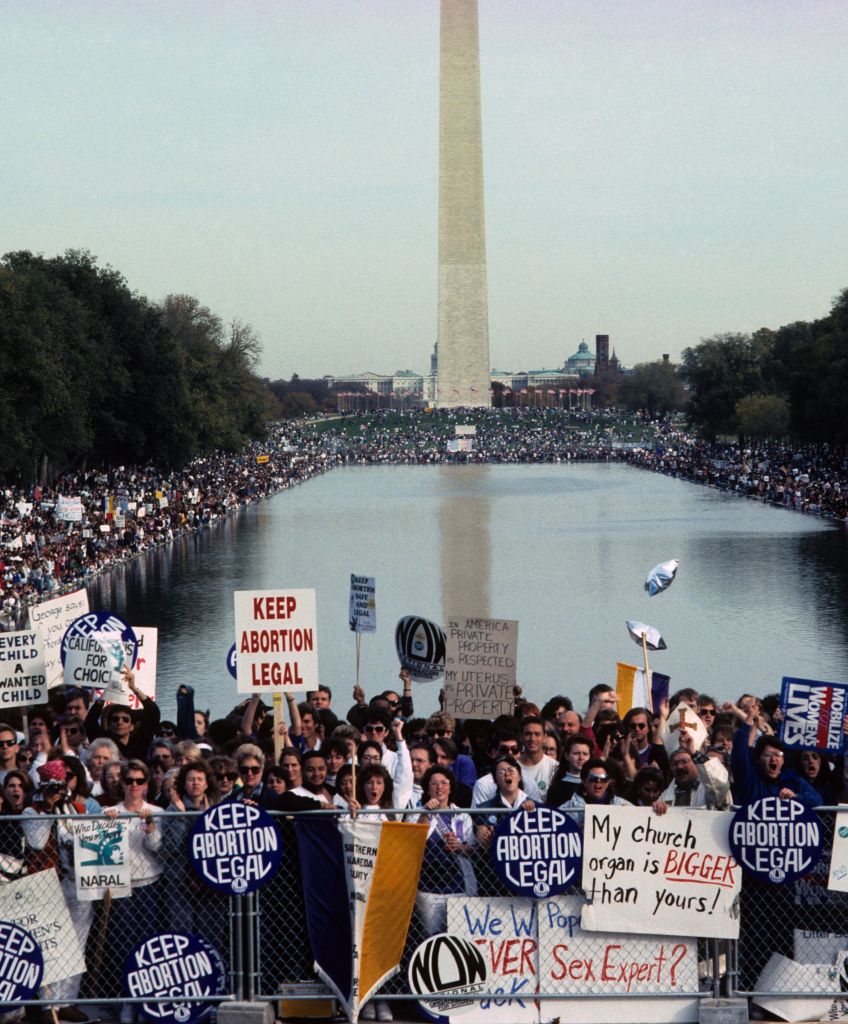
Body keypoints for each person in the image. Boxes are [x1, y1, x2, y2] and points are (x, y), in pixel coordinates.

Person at [21, 760, 94, 1022]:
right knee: (48, 943)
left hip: (75, 882)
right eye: (52, 787)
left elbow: (80, 839)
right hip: (45, 884)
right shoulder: (32, 811)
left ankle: (67, 1001)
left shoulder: (76, 809)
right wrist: (49, 809)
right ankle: (47, 1004)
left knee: (76, 943)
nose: (57, 791)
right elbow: (37, 842)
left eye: (61, 786)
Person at [102, 760, 163, 1018]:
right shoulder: (111, 811)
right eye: (130, 781)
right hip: (121, 886)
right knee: (124, 944)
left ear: (147, 785)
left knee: (148, 944)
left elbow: (158, 847)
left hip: (150, 883)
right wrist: (107, 823)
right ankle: (128, 999)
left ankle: (147, 1001)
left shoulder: (156, 810)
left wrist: (150, 826)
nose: (134, 786)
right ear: (123, 784)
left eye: (139, 781)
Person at [162, 760, 223, 944]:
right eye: (190, 779)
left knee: (211, 933)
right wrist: (181, 817)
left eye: (199, 779)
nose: (195, 783)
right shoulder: (171, 810)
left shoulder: (216, 809)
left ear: (206, 783)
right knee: (182, 934)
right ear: (184, 783)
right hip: (180, 881)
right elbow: (171, 846)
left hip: (210, 881)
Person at [415, 766, 477, 935]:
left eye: (444, 783)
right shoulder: (417, 814)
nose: (439, 787)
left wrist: (459, 846)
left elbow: (472, 849)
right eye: (434, 783)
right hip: (427, 889)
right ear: (427, 788)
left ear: (450, 787)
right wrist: (426, 814)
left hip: (459, 887)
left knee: (459, 937)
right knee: (431, 937)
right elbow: (413, 843)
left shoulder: (462, 815)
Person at [560, 758, 632, 825]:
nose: (598, 783)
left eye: (603, 779)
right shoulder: (567, 810)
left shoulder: (623, 806)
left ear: (609, 781)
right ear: (584, 781)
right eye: (593, 779)